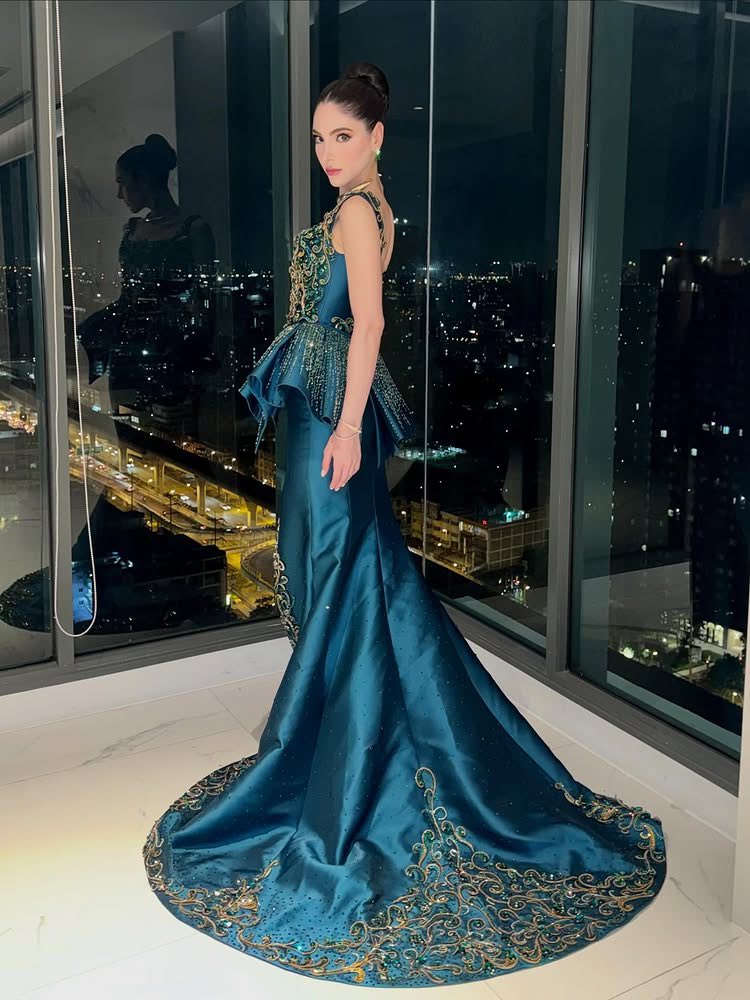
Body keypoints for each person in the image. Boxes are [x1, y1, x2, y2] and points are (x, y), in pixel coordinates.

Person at [142, 63, 667, 988]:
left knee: (338, 571)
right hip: (320, 407)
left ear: (378, 137)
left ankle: (350, 763)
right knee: (351, 573)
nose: (326, 152)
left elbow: (371, 324)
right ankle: (352, 739)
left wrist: (347, 429)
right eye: (319, 138)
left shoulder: (357, 210)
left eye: (342, 136)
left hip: (329, 417)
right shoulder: (371, 207)